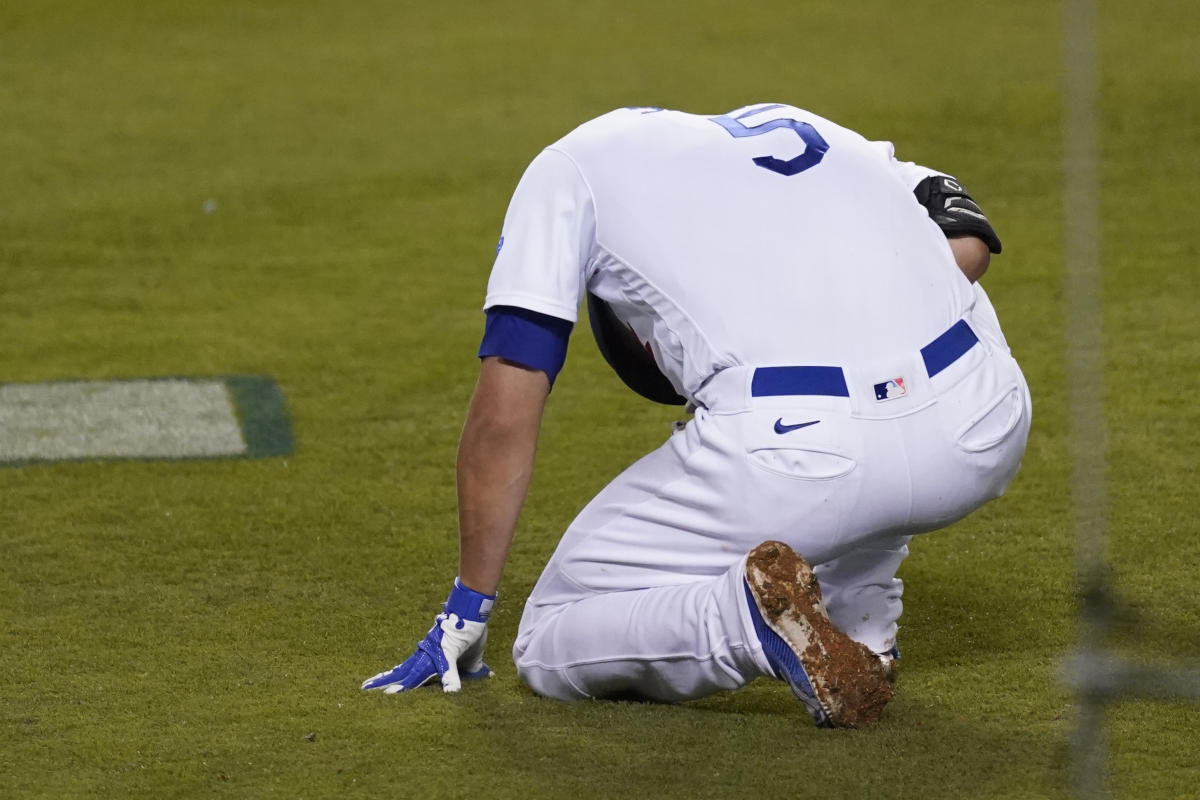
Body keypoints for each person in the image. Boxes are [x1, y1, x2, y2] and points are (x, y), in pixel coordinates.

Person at [362, 103, 1031, 727]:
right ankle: (861, 637)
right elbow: (968, 244)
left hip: (803, 460)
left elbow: (507, 402)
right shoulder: (802, 126)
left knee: (546, 638)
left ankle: (746, 622)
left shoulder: (570, 169)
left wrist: (466, 609)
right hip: (984, 422)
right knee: (888, 356)